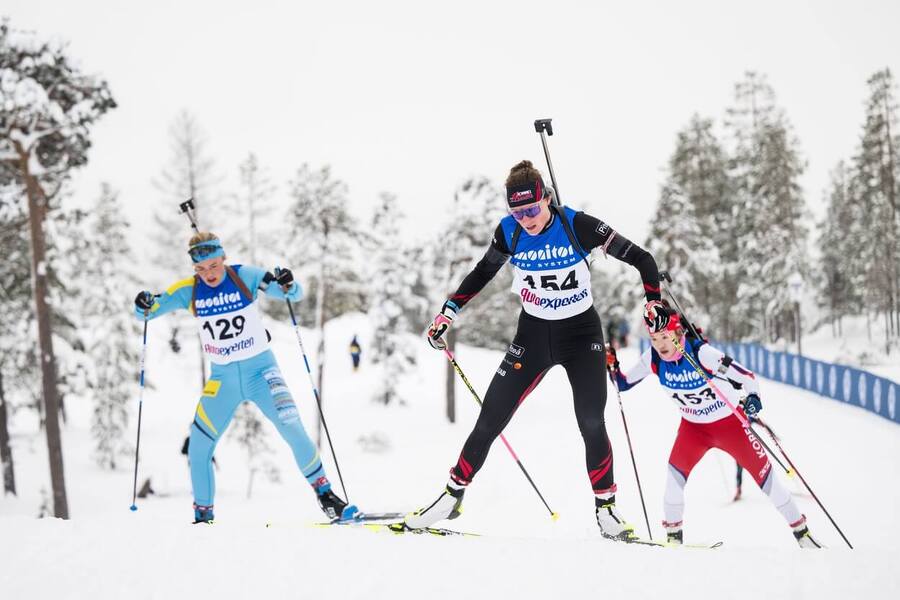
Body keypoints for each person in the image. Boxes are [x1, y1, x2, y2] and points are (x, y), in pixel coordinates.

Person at [404, 160, 670, 541]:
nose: (526, 218)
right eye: (517, 211)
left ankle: (606, 509)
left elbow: (643, 259)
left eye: (532, 209)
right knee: (490, 417)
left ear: (546, 198)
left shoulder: (577, 225)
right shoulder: (509, 232)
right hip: (532, 336)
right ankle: (452, 496)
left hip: (581, 335)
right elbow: (482, 272)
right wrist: (449, 312)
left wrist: (654, 302)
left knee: (592, 421)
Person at [133, 232, 351, 523]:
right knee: (199, 446)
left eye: (213, 265)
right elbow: (148, 312)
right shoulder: (189, 291)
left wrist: (288, 281)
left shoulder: (243, 276)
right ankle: (203, 516)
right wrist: (143, 304)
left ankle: (326, 496)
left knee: (292, 427)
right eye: (201, 269)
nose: (208, 274)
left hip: (262, 372)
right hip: (222, 381)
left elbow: (291, 293)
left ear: (223, 258)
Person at [606, 308, 823, 548]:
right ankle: (673, 540)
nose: (660, 345)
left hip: (730, 425)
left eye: (665, 337)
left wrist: (753, 398)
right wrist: (612, 367)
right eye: (655, 339)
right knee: (673, 479)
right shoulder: (653, 358)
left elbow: (747, 377)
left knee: (769, 481)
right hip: (694, 429)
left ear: (678, 334)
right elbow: (623, 384)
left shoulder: (702, 353)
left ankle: (803, 535)